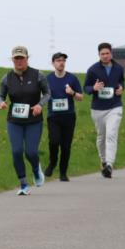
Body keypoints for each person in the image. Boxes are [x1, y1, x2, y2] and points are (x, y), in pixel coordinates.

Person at [0, 46, 50, 195]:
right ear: (12, 59)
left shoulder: (38, 75)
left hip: (34, 119)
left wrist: (40, 104)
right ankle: (23, 184)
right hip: (14, 120)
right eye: (16, 58)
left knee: (31, 152)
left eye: (22, 58)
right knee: (16, 151)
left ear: (27, 58)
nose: (19, 61)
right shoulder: (6, 78)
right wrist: (1, 102)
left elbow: (47, 93)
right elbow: (0, 95)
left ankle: (35, 169)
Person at [85, 43, 125, 178]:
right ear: (99, 55)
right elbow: (86, 88)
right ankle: (103, 161)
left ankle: (110, 164)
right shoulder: (92, 70)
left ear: (111, 54)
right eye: (102, 54)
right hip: (98, 108)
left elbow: (122, 82)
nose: (105, 56)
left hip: (115, 106)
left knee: (111, 134)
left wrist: (121, 89)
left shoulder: (119, 68)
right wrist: (93, 88)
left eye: (107, 53)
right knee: (101, 137)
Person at [44, 51, 84, 181]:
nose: (61, 63)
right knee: (54, 141)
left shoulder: (72, 78)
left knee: (66, 146)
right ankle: (52, 162)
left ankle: (63, 172)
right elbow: (42, 95)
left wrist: (72, 93)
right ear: (53, 63)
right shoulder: (48, 79)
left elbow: (81, 97)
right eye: (58, 60)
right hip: (53, 116)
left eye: (63, 61)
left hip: (68, 116)